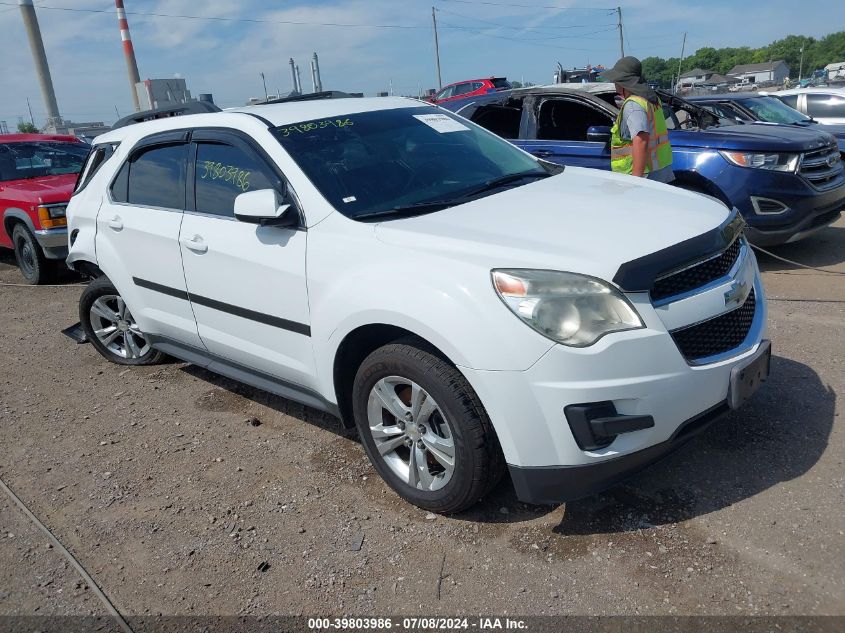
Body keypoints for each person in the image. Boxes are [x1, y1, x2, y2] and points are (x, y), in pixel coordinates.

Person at [601, 56, 674, 182]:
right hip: (660, 171)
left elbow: (641, 141)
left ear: (624, 82)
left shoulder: (633, 105)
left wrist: (636, 182)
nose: (614, 83)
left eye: (616, 80)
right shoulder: (651, 99)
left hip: (642, 176)